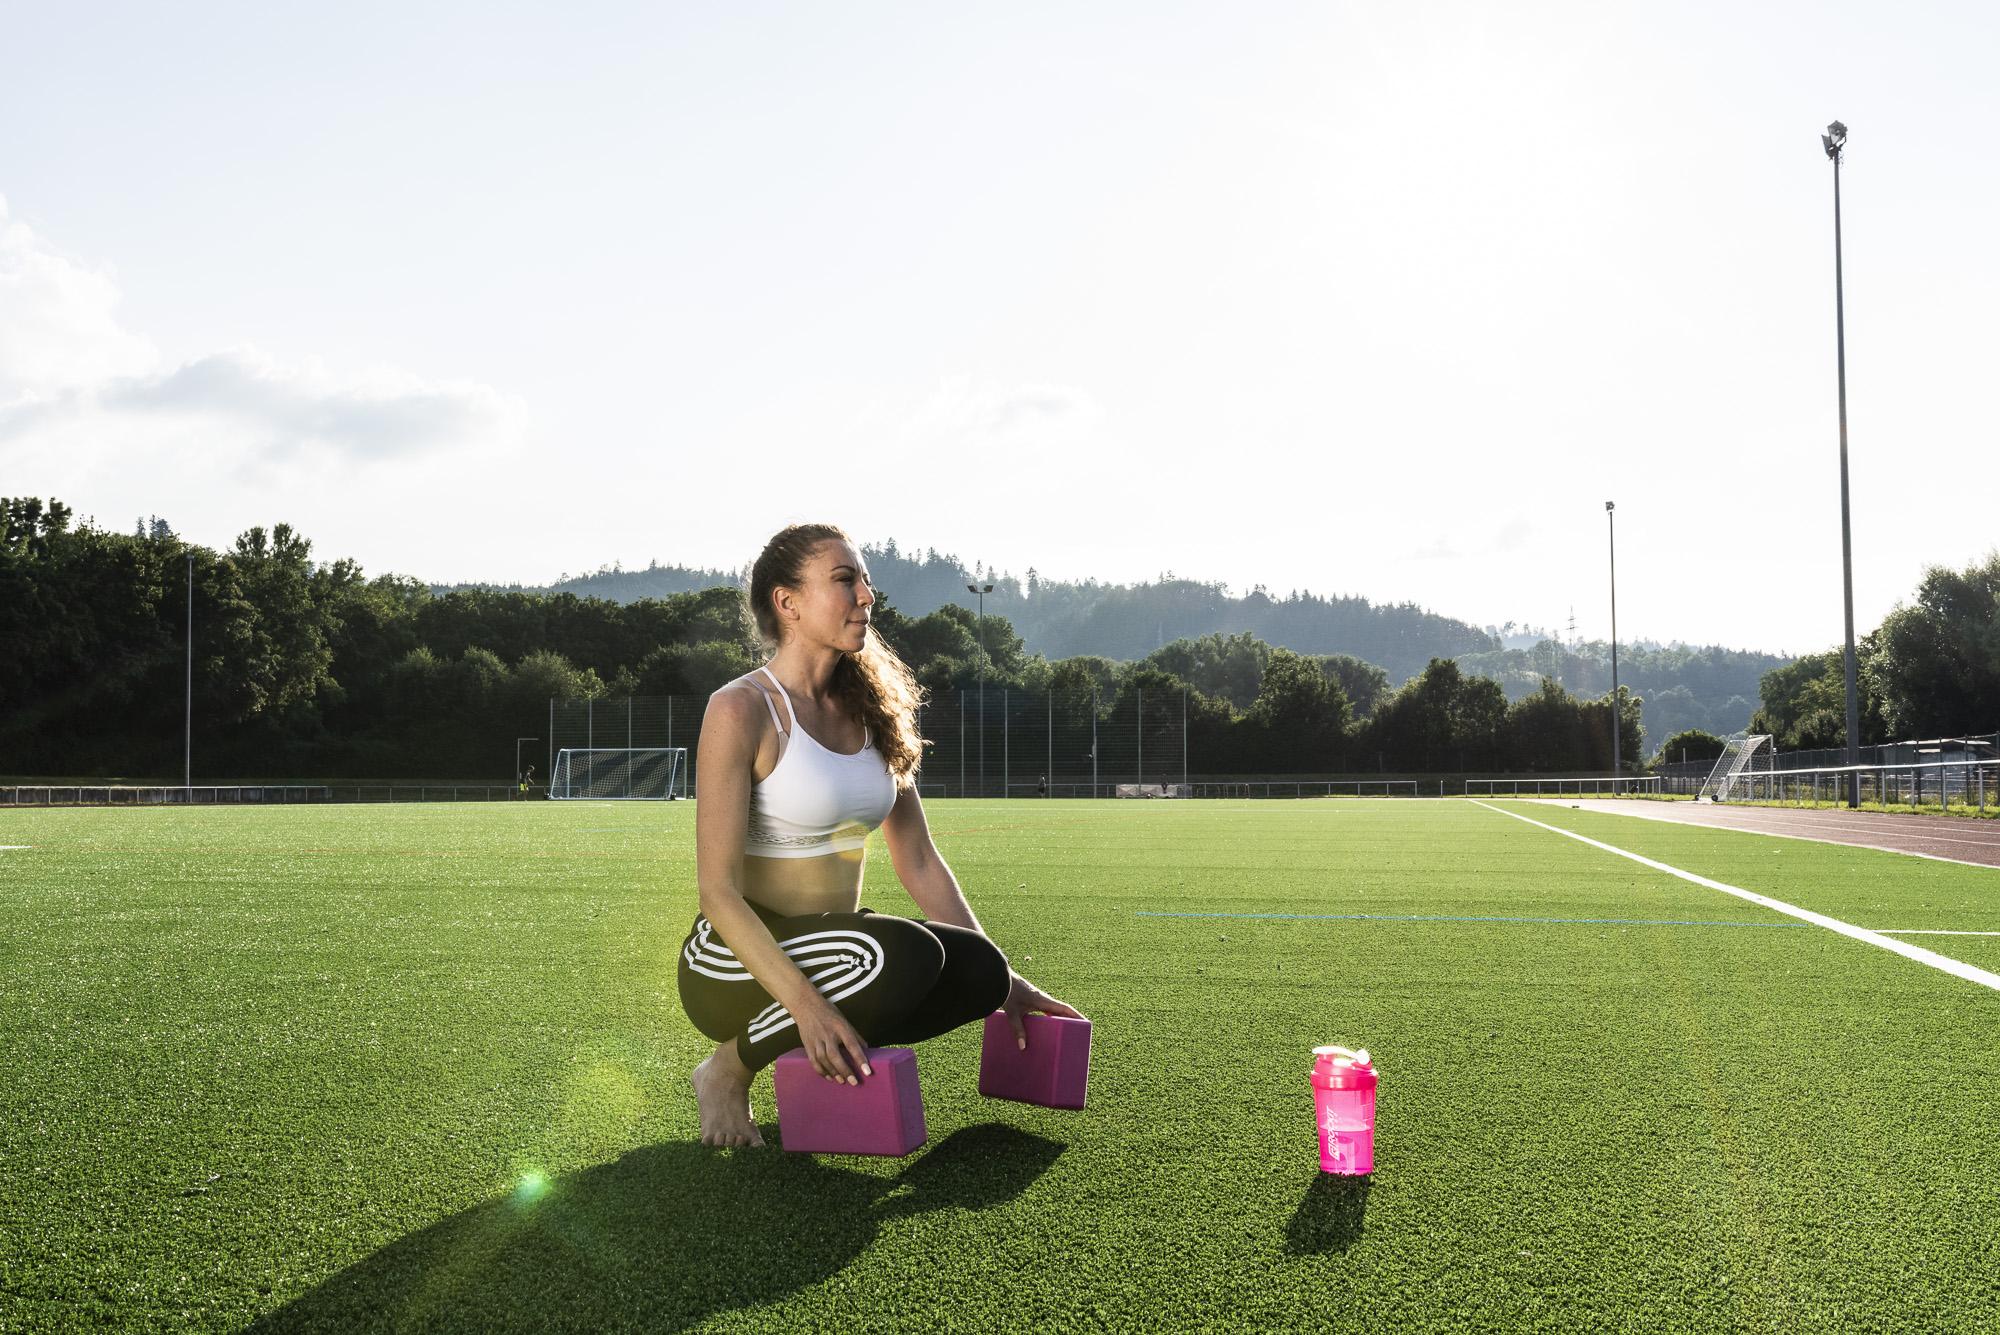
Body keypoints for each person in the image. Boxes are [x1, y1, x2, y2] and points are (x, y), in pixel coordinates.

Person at [679, 523, 1081, 1147]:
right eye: (845, 581)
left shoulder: (875, 712)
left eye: (865, 581)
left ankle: (823, 1052)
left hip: (841, 955)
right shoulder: (741, 709)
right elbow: (718, 892)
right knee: (906, 955)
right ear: (787, 602)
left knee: (978, 970)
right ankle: (727, 1068)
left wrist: (1007, 985)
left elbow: (917, 859)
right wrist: (807, 1012)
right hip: (732, 964)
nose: (866, 596)